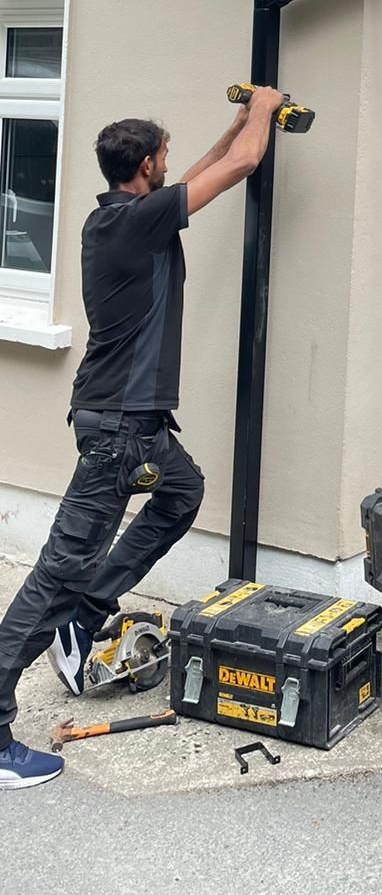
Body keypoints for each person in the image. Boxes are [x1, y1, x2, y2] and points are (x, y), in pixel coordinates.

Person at [0, 86, 284, 788]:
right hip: (119, 434)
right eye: (164, 155)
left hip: (136, 430)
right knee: (57, 571)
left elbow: (206, 169)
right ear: (146, 166)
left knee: (182, 493)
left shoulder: (124, 216)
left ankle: (86, 611)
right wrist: (265, 107)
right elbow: (243, 164)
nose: (169, 164)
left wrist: (237, 121)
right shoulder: (140, 221)